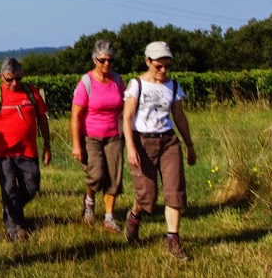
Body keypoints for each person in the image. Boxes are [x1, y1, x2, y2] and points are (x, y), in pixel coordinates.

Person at [122, 41, 197, 260]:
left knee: (175, 192)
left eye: (167, 66)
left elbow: (180, 117)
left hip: (168, 141)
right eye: (158, 66)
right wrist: (131, 147)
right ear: (148, 62)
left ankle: (173, 239)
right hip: (142, 142)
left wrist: (189, 145)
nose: (163, 70)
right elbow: (127, 117)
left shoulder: (173, 86)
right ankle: (134, 217)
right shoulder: (136, 85)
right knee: (148, 197)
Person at [0, 57, 52, 241]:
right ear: (1, 76)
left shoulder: (31, 92)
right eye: (9, 79)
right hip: (4, 154)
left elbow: (42, 118)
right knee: (9, 188)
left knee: (33, 185)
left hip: (28, 151)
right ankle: (15, 229)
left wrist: (47, 146)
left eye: (18, 78)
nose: (14, 83)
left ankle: (11, 210)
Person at [70, 40, 126, 232]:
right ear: (95, 60)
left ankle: (109, 216)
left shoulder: (118, 81)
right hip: (91, 136)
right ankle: (89, 201)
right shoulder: (86, 82)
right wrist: (77, 145)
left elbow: (125, 108)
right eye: (102, 60)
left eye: (110, 60)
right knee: (96, 174)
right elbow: (76, 115)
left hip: (114, 135)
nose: (106, 64)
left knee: (114, 177)